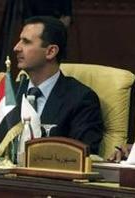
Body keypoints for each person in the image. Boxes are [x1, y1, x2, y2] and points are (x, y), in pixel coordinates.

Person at [13, 16, 103, 154]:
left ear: (51, 51)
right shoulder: (11, 92)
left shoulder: (81, 99)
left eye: (26, 42)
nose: (16, 48)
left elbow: (82, 156)